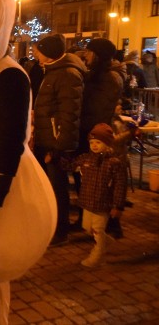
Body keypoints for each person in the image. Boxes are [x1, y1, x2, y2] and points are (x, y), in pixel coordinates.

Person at [31, 34, 87, 246]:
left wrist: (59, 149)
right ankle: (53, 224)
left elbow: (69, 115)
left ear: (50, 52)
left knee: (57, 188)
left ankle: (60, 230)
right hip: (48, 138)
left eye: (39, 49)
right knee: (49, 187)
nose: (36, 54)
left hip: (55, 143)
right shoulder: (54, 71)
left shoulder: (67, 74)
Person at [75, 38, 126, 224]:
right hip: (89, 132)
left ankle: (101, 223)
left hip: (95, 135)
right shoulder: (98, 74)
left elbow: (97, 109)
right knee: (87, 178)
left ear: (98, 55)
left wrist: (88, 134)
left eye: (89, 52)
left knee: (97, 180)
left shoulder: (109, 77)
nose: (85, 55)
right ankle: (87, 218)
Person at [69, 123, 127, 267]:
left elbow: (120, 186)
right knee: (87, 227)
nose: (94, 145)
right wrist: (57, 159)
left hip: (103, 203)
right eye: (92, 142)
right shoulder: (86, 159)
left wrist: (118, 206)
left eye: (98, 142)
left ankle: (97, 255)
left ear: (107, 143)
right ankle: (106, 241)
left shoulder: (114, 163)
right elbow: (70, 165)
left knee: (98, 230)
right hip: (88, 202)